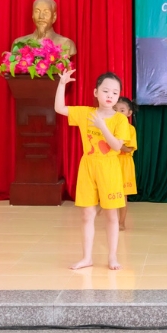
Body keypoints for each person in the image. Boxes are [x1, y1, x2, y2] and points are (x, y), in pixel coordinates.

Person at [55, 70, 129, 270]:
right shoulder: (86, 113)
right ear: (95, 92)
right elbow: (59, 107)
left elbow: (116, 146)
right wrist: (62, 84)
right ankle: (87, 257)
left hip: (109, 168)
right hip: (88, 166)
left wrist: (102, 126)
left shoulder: (121, 120)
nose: (110, 96)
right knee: (87, 215)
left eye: (115, 93)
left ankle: (112, 257)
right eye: (105, 91)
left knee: (111, 215)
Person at [12, 0, 76, 56]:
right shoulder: (19, 43)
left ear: (54, 17)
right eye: (37, 11)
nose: (41, 17)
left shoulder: (66, 43)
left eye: (46, 12)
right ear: (32, 15)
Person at [114, 97, 138, 231]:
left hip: (124, 164)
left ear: (129, 113)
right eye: (115, 109)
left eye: (122, 110)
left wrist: (116, 144)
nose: (118, 113)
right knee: (110, 193)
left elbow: (129, 148)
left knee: (123, 196)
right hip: (110, 162)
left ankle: (121, 222)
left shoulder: (130, 129)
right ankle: (111, 222)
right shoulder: (107, 127)